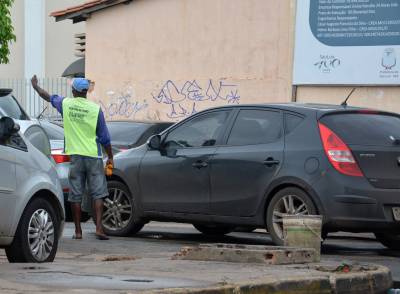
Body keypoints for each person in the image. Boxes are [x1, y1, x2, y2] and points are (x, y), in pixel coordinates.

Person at [31, 75, 113, 240]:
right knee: (98, 193)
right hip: (93, 156)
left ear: (74, 91)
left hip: (75, 157)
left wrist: (36, 86)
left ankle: (77, 231)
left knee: (75, 194)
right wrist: (110, 157)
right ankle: (98, 228)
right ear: (85, 92)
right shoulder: (95, 109)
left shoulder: (66, 104)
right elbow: (104, 137)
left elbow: (47, 97)